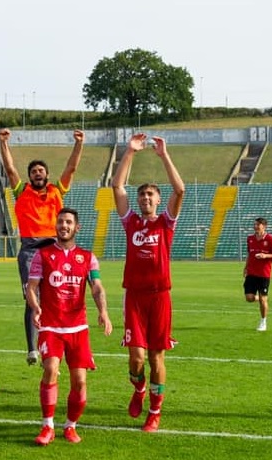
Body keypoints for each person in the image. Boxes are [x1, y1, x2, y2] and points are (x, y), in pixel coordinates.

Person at [112, 132, 184, 433]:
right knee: (136, 358)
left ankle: (155, 412)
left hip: (159, 296)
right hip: (135, 296)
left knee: (156, 357)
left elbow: (179, 190)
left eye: (151, 195)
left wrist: (163, 155)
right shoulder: (130, 222)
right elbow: (117, 186)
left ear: (157, 200)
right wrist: (129, 152)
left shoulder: (165, 223)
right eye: (142, 195)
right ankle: (139, 389)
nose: (146, 199)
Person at [26, 208, 113, 446]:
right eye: (60, 222)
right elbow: (32, 287)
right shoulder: (42, 256)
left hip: (77, 328)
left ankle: (71, 425)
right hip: (51, 326)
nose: (63, 226)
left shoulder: (87, 257)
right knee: (51, 368)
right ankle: (47, 426)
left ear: (77, 227)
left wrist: (103, 312)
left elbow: (96, 286)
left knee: (80, 382)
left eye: (68, 222)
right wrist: (35, 308)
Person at [0, 128, 84, 365]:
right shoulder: (21, 191)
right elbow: (10, 169)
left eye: (41, 170)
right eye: (34, 171)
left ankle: (59, 342)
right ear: (30, 177)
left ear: (47, 174)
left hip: (54, 248)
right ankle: (32, 349)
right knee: (31, 296)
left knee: (56, 296)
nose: (37, 173)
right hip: (29, 249)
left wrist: (78, 144)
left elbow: (71, 168)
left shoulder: (57, 191)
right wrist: (3, 143)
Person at [244, 217, 272, 332]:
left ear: (264, 226)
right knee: (249, 298)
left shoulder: (270, 239)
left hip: (264, 274)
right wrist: (245, 267)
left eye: (257, 225)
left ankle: (263, 321)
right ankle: (260, 299)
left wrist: (265, 256)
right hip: (251, 273)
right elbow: (249, 254)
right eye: (254, 224)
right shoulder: (250, 238)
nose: (255, 227)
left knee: (263, 300)